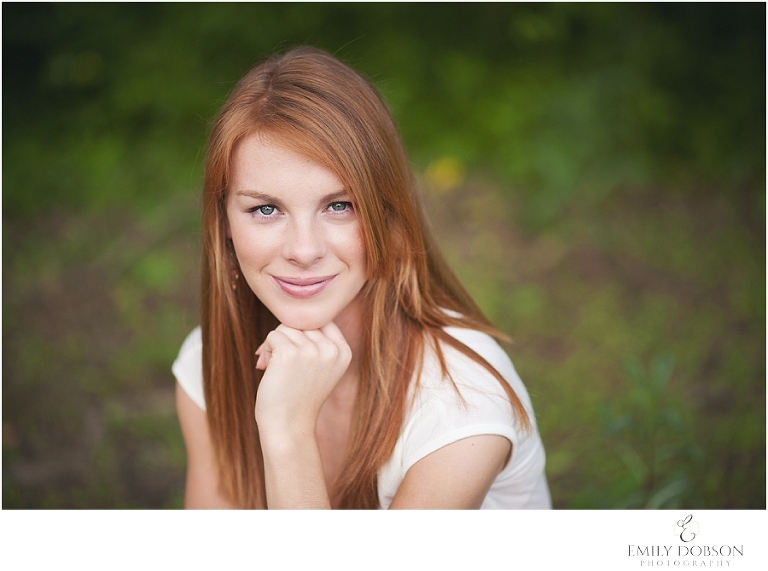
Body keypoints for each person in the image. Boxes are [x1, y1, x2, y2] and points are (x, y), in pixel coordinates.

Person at [172, 46, 551, 509]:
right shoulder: (209, 361)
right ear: (225, 227)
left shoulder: (460, 403)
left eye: (339, 206)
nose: (304, 250)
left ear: (387, 217)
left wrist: (287, 432)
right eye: (265, 209)